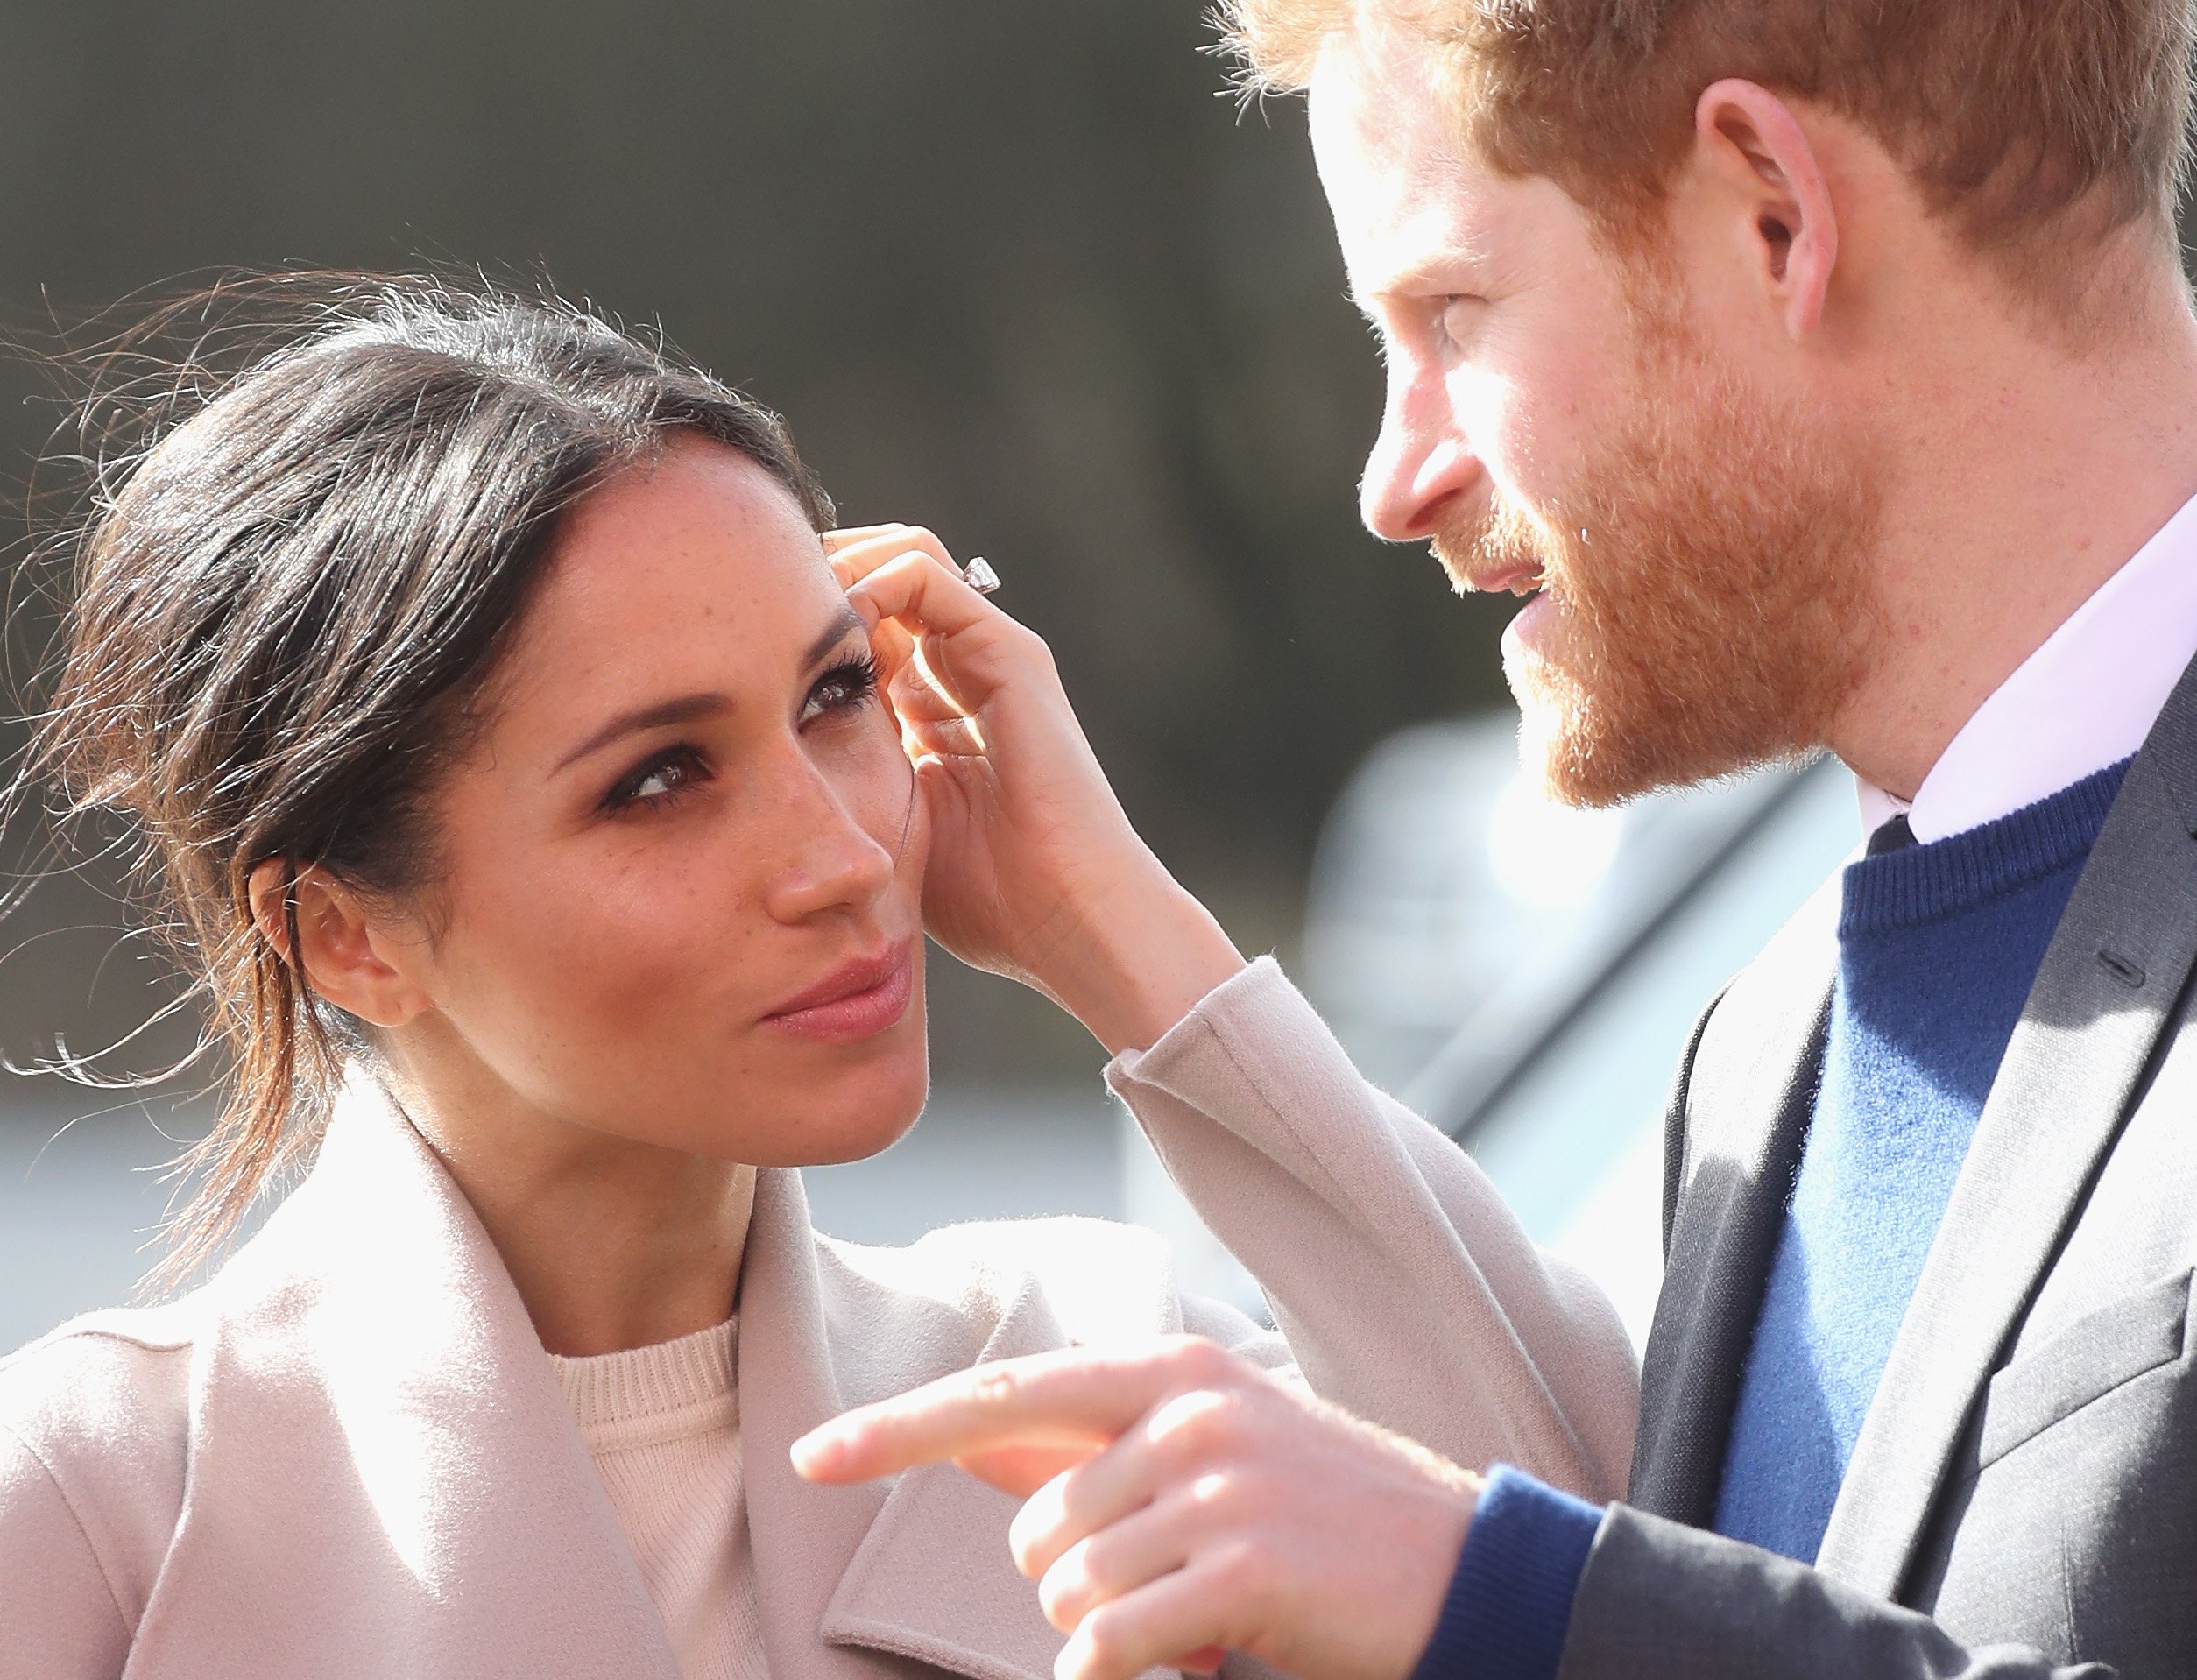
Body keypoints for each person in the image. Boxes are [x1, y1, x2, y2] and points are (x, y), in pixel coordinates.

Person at [0, 278, 1636, 1678]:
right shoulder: (80, 1511)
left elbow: (1610, 1580)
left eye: (833, 699)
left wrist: (1112, 923)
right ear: (346, 931)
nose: (846, 854)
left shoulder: (1079, 1374)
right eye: (658, 776)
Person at [795, 3, 2197, 1678]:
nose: (1396, 476)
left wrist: (1503, 1603)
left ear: (1773, 209)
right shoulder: (1766, 1050)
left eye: (1451, 312)